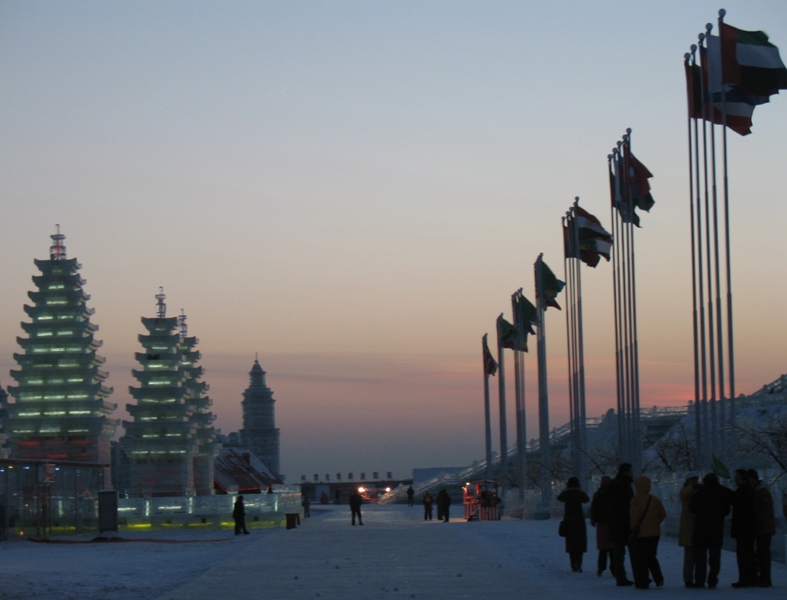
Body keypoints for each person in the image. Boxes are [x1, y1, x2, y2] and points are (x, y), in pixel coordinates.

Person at [689, 472, 732, 589]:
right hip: (716, 529)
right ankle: (712, 580)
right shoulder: (722, 493)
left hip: (701, 529)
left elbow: (691, 508)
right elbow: (727, 510)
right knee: (715, 559)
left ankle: (700, 580)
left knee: (700, 558)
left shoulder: (700, 493)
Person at [628, 475, 666, 589]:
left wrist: (633, 528)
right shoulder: (654, 499)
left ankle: (643, 580)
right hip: (654, 533)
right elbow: (663, 514)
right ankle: (658, 578)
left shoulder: (635, 500)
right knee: (651, 556)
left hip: (641, 534)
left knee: (641, 557)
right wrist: (655, 523)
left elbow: (634, 517)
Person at [605, 463, 635, 586]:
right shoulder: (624, 486)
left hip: (614, 522)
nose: (632, 472)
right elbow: (629, 505)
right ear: (625, 472)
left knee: (618, 552)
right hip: (625, 522)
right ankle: (638, 575)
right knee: (634, 550)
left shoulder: (612, 485)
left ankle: (620, 576)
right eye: (630, 470)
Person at [749, 469, 775, 587]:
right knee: (762, 553)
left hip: (763, 527)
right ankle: (764, 577)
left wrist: (758, 519)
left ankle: (765, 578)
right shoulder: (760, 489)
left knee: (763, 553)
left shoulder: (761, 490)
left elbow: (766, 508)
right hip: (764, 527)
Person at [730, 468, 757, 587]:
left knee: (743, 555)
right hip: (749, 529)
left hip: (743, 529)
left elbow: (739, 512)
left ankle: (745, 579)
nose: (735, 480)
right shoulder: (749, 491)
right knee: (749, 554)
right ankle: (751, 578)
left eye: (737, 478)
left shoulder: (742, 492)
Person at [557, 477, 590, 572]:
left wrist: (565, 491)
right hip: (579, 520)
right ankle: (578, 563)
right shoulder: (579, 493)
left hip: (568, 520)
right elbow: (586, 499)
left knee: (571, 542)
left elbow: (559, 498)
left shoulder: (566, 493)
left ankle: (573, 564)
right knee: (580, 542)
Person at [589, 476, 615, 577]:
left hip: (601, 525)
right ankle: (614, 569)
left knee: (603, 549)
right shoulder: (613, 494)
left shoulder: (597, 494)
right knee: (613, 549)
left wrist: (593, 520)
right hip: (611, 524)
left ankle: (601, 568)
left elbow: (592, 509)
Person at [678, 473, 700, 588]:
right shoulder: (686, 491)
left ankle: (694, 578)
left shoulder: (690, 491)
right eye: (692, 480)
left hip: (694, 526)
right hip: (689, 527)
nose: (694, 482)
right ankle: (688, 579)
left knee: (694, 556)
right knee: (690, 556)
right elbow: (682, 494)